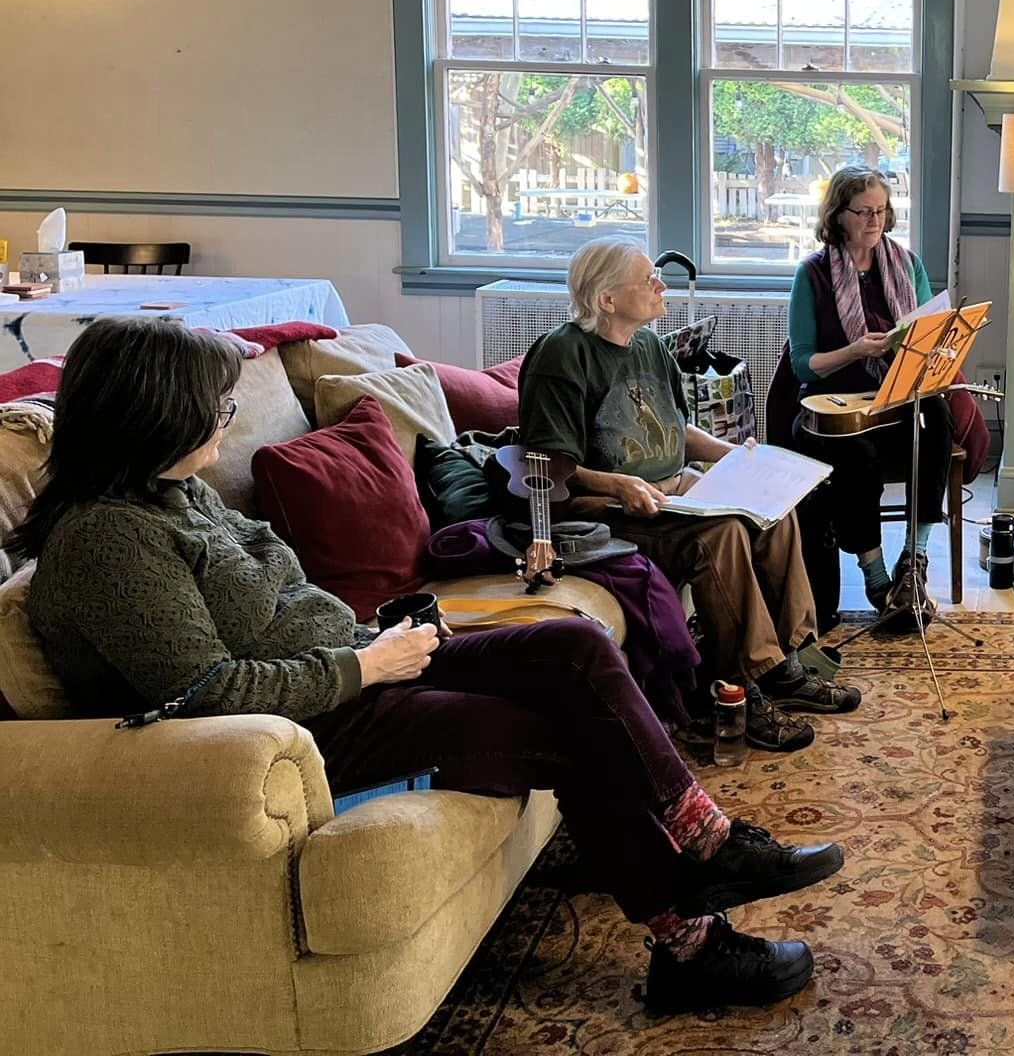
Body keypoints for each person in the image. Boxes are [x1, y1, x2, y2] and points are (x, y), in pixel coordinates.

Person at [15, 316, 840, 1016]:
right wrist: (368, 667)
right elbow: (209, 692)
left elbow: (282, 607)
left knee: (573, 646)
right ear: (152, 413)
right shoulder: (107, 540)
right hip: (308, 727)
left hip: (356, 665)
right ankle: (691, 946)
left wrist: (384, 632)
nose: (225, 418)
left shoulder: (177, 491)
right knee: (559, 725)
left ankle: (706, 836)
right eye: (213, 404)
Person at [518, 240, 858, 753]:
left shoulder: (650, 346)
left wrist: (736, 455)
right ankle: (739, 687)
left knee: (773, 511)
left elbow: (679, 431)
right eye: (647, 279)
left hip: (672, 489)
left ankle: (786, 665)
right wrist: (620, 484)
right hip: (606, 507)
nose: (661, 285)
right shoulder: (562, 355)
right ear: (607, 299)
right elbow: (547, 463)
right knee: (722, 534)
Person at [783, 167, 952, 622]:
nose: (875, 220)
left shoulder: (907, 264)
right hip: (832, 407)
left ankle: (914, 560)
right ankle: (876, 576)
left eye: (881, 210)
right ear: (838, 215)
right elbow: (803, 364)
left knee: (937, 417)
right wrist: (854, 350)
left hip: (893, 398)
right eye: (864, 212)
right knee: (856, 455)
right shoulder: (812, 274)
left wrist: (925, 347)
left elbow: (929, 334)